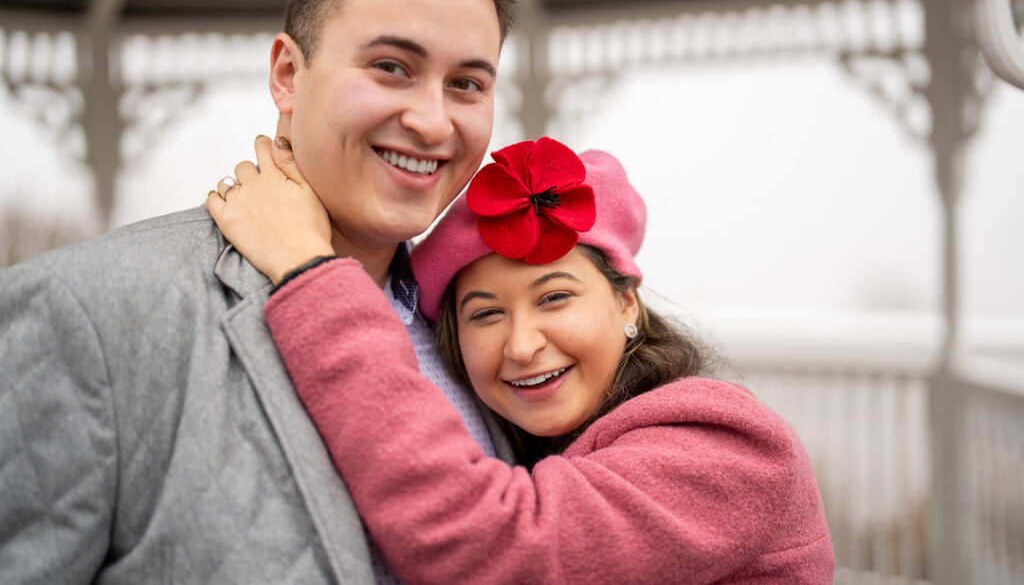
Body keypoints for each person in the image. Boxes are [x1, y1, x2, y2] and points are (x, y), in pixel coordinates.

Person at [0, 0, 518, 582]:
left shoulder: (491, 337)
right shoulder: (89, 311)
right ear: (286, 74)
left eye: (467, 84)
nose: (430, 120)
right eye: (391, 66)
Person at [209, 136, 836, 584]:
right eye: (484, 313)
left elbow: (497, 551)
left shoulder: (730, 448)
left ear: (626, 303)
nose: (521, 344)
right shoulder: (536, 444)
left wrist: (310, 272)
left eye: (555, 297)